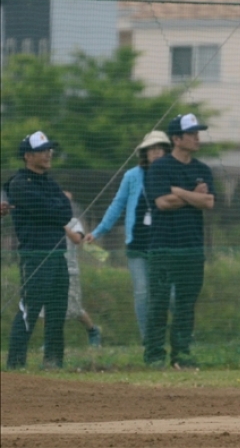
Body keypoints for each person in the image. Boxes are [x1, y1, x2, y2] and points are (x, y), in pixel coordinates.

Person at [85, 131, 171, 341]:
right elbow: (117, 206)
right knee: (142, 292)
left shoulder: (172, 174)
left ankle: (179, 336)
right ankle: (148, 340)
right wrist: (98, 232)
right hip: (137, 245)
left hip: (165, 244)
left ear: (167, 151)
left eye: (160, 148)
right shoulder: (132, 176)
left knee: (171, 294)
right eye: (152, 149)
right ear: (144, 153)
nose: (156, 152)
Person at [143, 114, 214, 370]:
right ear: (177, 139)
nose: (197, 138)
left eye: (197, 133)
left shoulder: (202, 170)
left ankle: (181, 354)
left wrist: (179, 192)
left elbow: (209, 201)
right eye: (191, 133)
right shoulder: (160, 167)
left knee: (186, 304)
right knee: (159, 302)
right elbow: (162, 202)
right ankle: (154, 355)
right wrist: (193, 196)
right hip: (163, 247)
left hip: (192, 247)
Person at [4, 131, 72, 370]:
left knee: (57, 310)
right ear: (28, 156)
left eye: (49, 150)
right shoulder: (20, 183)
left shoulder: (50, 182)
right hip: (35, 255)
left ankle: (53, 361)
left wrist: (54, 208)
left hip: (57, 254)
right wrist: (55, 207)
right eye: (42, 151)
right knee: (30, 309)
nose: (48, 154)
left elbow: (66, 212)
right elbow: (48, 210)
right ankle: (15, 363)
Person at [62, 192, 103, 347]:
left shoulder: (74, 222)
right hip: (50, 269)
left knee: (74, 308)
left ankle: (92, 330)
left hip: (70, 271)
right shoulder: (47, 221)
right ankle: (50, 340)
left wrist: (63, 224)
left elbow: (77, 239)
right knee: (47, 308)